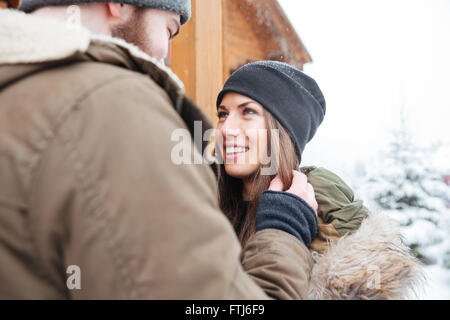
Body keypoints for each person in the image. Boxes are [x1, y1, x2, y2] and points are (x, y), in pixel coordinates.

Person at [0, 1, 317, 299]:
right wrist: (283, 232)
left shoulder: (18, 89)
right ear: (119, 4)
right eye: (168, 30)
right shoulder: (114, 105)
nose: (166, 54)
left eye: (248, 112)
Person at [215, 61, 425, 299]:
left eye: (248, 111)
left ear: (282, 130)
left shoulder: (328, 217)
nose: (226, 128)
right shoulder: (203, 200)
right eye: (223, 114)